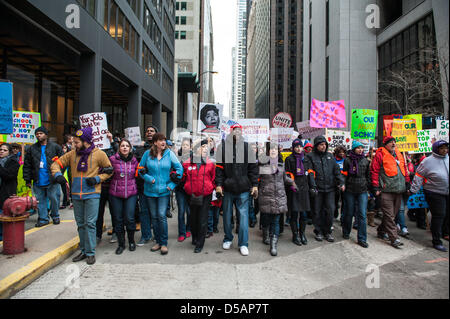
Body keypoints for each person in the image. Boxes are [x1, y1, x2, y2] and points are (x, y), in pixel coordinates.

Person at [51, 127, 113, 265]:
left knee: (90, 224)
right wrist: (58, 175)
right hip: (76, 195)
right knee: (80, 224)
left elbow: (109, 171)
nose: (74, 145)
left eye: (77, 142)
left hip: (92, 194)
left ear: (85, 141)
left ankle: (90, 252)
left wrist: (97, 179)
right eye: (73, 142)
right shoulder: (72, 154)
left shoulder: (99, 154)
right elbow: (56, 164)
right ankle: (84, 250)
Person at [215, 124, 259, 256]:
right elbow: (219, 168)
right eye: (235, 130)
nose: (237, 133)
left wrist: (255, 185)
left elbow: (253, 168)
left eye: (239, 131)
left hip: (244, 189)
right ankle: (228, 238)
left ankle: (243, 243)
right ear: (231, 132)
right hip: (228, 189)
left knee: (244, 217)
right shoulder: (223, 148)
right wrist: (218, 184)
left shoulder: (247, 148)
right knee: (227, 217)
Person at [138, 133, 183, 255]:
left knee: (161, 215)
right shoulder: (147, 154)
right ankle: (157, 241)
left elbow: (180, 170)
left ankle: (164, 243)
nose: (163, 142)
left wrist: (172, 185)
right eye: (160, 140)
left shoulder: (169, 154)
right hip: (150, 191)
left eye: (164, 140)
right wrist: (148, 178)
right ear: (155, 142)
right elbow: (140, 169)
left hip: (164, 191)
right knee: (154, 217)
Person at [371, 136, 411, 249]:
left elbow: (404, 169)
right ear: (385, 144)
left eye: (394, 142)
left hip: (398, 190)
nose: (393, 144)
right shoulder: (380, 154)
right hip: (386, 190)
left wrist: (407, 182)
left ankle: (381, 231)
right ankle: (394, 238)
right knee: (389, 215)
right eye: (391, 142)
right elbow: (374, 171)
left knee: (391, 215)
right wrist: (375, 187)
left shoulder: (399, 154)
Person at [258, 143, 297, 256]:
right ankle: (265, 234)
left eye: (275, 149)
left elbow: (284, 178)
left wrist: (293, 183)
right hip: (266, 195)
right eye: (271, 149)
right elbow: (256, 177)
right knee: (265, 218)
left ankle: (273, 244)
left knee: (276, 220)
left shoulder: (281, 165)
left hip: (279, 196)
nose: (273, 151)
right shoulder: (262, 164)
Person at [304, 135, 345, 242]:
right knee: (317, 211)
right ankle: (318, 231)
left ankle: (328, 232)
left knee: (330, 210)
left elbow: (336, 171)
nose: (323, 146)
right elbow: (310, 173)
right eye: (321, 145)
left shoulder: (330, 156)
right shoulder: (310, 157)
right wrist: (312, 186)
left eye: (324, 144)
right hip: (318, 188)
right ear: (316, 145)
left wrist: (341, 182)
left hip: (330, 189)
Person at [411, 140, 449, 252]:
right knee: (439, 215)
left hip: (447, 192)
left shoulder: (448, 158)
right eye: (442, 148)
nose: (445, 150)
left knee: (447, 214)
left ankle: (445, 233)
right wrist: (414, 190)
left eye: (446, 148)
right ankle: (436, 241)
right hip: (434, 192)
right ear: (436, 149)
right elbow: (418, 176)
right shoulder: (428, 161)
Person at [23, 126, 63, 227]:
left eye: (41, 133)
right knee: (40, 200)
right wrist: (27, 179)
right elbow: (27, 165)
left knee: (54, 198)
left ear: (46, 135)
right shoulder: (32, 148)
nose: (38, 135)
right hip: (37, 179)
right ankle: (43, 218)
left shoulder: (55, 147)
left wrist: (58, 174)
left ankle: (55, 216)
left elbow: (63, 161)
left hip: (52, 179)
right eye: (37, 134)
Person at [182, 139, 216, 253]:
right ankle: (195, 237)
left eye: (207, 147)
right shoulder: (186, 162)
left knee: (202, 219)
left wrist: (211, 188)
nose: (206, 149)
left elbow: (213, 178)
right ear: (197, 149)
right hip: (191, 195)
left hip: (205, 195)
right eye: (203, 147)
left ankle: (200, 243)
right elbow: (183, 176)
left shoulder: (210, 163)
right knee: (192, 218)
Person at [108, 139, 139, 254]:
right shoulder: (112, 160)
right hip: (115, 193)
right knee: (118, 219)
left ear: (130, 148)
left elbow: (139, 173)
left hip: (131, 193)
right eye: (122, 146)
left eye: (127, 146)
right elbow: (104, 172)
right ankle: (121, 244)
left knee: (130, 218)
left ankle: (131, 241)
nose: (125, 148)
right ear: (119, 148)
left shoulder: (134, 161)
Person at [341, 141, 371, 248]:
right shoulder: (348, 161)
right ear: (353, 149)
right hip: (350, 190)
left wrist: (369, 188)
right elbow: (344, 175)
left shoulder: (366, 161)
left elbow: (369, 176)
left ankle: (362, 239)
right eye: (358, 148)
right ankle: (346, 231)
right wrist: (343, 184)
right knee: (349, 212)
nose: (360, 150)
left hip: (362, 191)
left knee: (362, 214)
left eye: (362, 148)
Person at [285, 139, 313, 246]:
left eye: (300, 147)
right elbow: (287, 174)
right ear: (293, 148)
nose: (298, 148)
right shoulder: (289, 159)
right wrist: (292, 184)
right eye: (296, 147)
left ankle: (302, 234)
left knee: (304, 214)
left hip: (304, 189)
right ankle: (295, 235)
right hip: (294, 189)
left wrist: (313, 186)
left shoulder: (306, 158)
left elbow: (310, 173)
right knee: (294, 213)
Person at [134, 125, 158, 246]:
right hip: (142, 185)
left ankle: (157, 236)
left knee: (156, 213)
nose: (149, 133)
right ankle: (146, 235)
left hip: (156, 186)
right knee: (144, 212)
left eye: (152, 131)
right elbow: (136, 165)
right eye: (147, 131)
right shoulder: (139, 148)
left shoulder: (161, 148)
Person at [0, 143, 21, 241]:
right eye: (1, 149)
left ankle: (4, 236)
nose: (2, 151)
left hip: (7, 193)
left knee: (4, 216)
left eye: (5, 150)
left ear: (9, 152)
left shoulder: (13, 162)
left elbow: (8, 175)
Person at [176, 138, 192, 242]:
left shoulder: (194, 157)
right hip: (180, 188)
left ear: (190, 147)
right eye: (183, 144)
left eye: (187, 145)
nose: (185, 146)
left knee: (189, 211)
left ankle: (188, 229)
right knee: (181, 211)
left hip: (190, 188)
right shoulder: (177, 157)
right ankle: (181, 233)